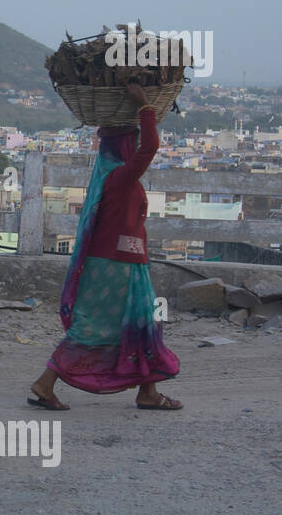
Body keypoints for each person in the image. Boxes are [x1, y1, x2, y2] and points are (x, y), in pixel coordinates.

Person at [28, 83, 181, 411]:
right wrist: (145, 109)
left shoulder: (110, 177)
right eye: (132, 142)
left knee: (137, 323)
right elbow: (151, 146)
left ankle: (147, 391)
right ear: (126, 146)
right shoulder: (120, 177)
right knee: (116, 325)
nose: (137, 145)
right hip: (118, 266)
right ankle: (47, 381)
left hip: (118, 261)